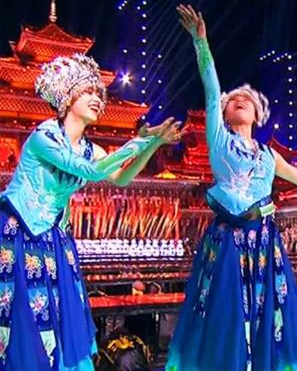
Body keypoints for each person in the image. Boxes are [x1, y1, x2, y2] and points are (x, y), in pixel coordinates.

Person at [166, 5, 297, 371]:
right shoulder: (219, 140)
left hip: (264, 241)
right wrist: (201, 42)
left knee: (268, 310)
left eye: (246, 99)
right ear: (224, 113)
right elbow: (211, 88)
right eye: (233, 101)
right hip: (229, 240)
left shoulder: (268, 154)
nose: (239, 100)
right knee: (228, 313)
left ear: (258, 114)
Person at [0, 53, 182, 370]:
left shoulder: (90, 148)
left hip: (53, 237)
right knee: (23, 313)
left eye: (100, 94)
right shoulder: (45, 136)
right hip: (19, 232)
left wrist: (153, 144)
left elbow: (121, 177)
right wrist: (138, 142)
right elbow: (90, 171)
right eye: (89, 92)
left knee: (59, 313)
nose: (98, 99)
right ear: (67, 97)